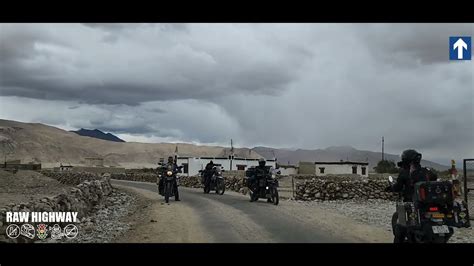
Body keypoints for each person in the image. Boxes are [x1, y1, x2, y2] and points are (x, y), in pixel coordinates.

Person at [385, 149, 437, 241]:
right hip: (429, 204)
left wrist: (391, 188)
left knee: (400, 228)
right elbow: (434, 180)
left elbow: (398, 187)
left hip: (411, 204)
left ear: (405, 160)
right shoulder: (427, 171)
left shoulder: (405, 172)